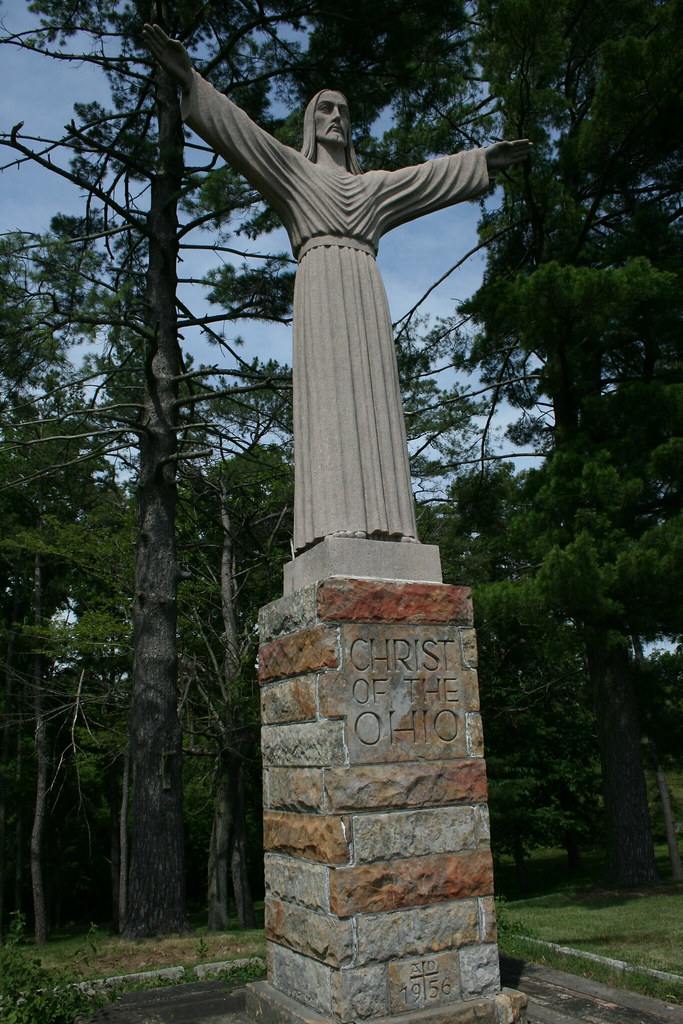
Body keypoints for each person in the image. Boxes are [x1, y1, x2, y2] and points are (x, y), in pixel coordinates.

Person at [143, 24, 531, 555]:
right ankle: (331, 525)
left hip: (365, 291)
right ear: (310, 122)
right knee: (329, 403)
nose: (336, 118)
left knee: (379, 403)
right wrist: (190, 76)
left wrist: (482, 161)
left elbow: (428, 178)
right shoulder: (294, 174)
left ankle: (392, 527)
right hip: (321, 288)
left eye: (344, 112)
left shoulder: (372, 189)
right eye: (325, 109)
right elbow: (242, 133)